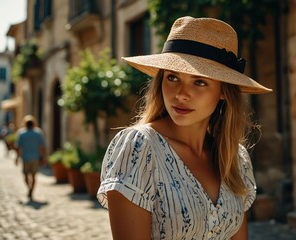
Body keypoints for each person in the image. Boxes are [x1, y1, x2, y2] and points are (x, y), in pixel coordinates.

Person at [97, 16, 272, 239]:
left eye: (199, 81)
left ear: (223, 92)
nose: (180, 94)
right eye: (172, 77)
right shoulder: (139, 148)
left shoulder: (235, 158)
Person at [15, 115, 46, 200]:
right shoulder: (38, 133)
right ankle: (31, 190)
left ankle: (29, 188)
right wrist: (43, 157)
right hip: (35, 157)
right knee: (33, 176)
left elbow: (18, 147)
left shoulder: (21, 133)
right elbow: (42, 147)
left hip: (25, 157)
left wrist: (17, 157)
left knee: (25, 175)